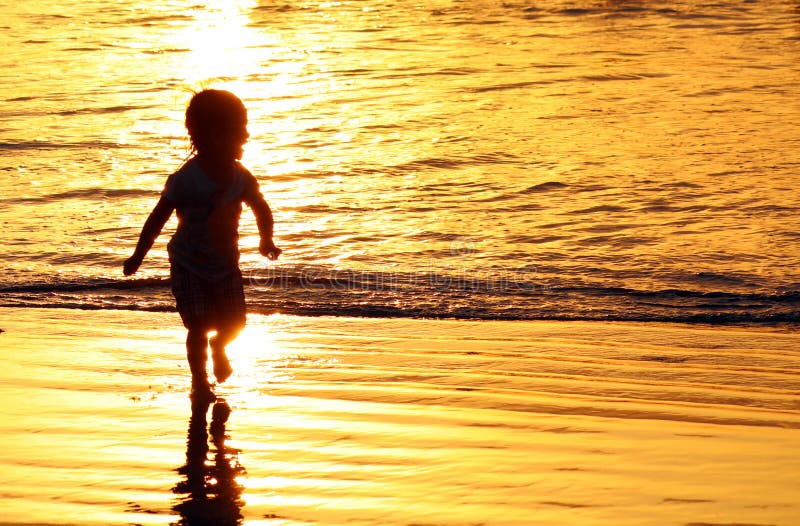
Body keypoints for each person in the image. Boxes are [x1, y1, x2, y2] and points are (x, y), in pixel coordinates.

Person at [123, 89, 281, 403]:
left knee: (235, 323)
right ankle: (201, 383)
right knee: (198, 325)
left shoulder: (241, 178)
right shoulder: (186, 180)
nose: (246, 135)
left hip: (225, 267)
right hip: (189, 265)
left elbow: (261, 207)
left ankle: (220, 347)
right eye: (239, 129)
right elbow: (157, 219)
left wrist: (266, 238)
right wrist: (138, 256)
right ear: (214, 135)